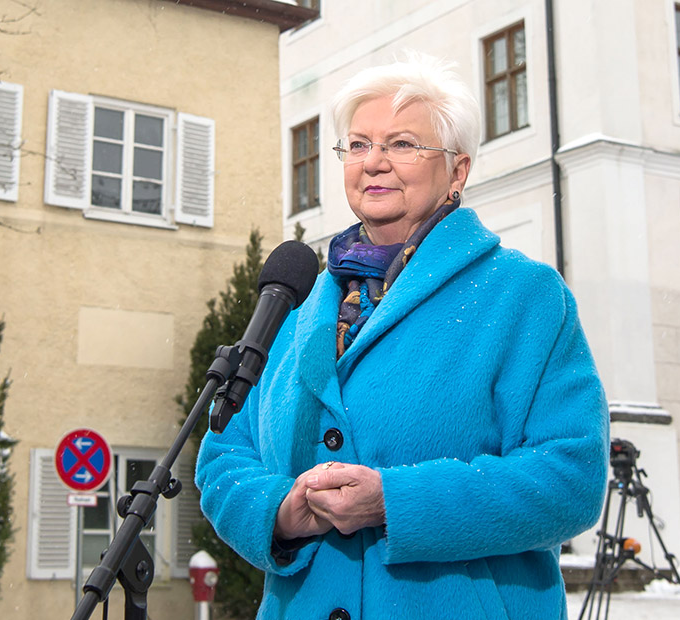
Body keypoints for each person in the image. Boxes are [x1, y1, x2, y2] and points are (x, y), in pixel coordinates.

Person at [196, 54, 608, 619]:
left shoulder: (524, 297)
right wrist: (280, 512)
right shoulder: (295, 308)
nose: (375, 163)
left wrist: (395, 502)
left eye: (403, 144)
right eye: (358, 145)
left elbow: (570, 477)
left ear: (457, 171)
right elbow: (224, 454)